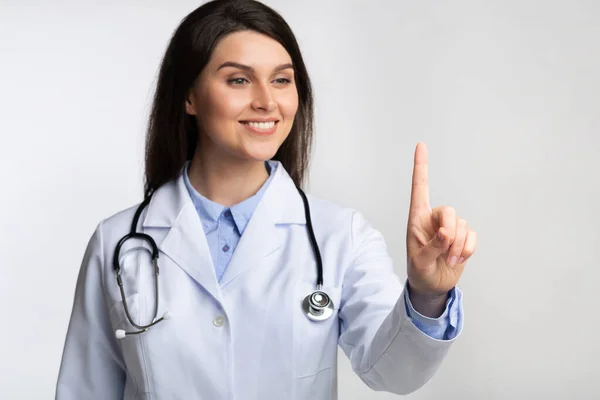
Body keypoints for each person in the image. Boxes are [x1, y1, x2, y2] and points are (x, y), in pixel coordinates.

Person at [55, 0, 477, 399]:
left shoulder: (339, 237)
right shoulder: (118, 241)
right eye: (238, 79)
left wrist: (426, 296)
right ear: (189, 97)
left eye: (281, 79)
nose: (267, 101)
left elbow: (394, 371)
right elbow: (84, 389)